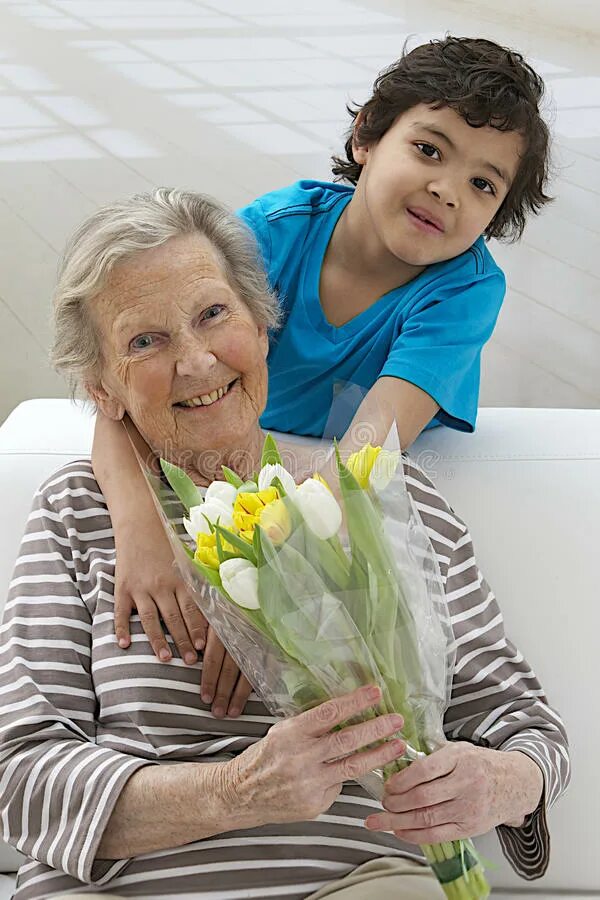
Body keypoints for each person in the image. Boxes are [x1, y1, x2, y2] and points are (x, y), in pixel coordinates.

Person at [0, 192, 569, 900]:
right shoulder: (78, 511)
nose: (197, 360)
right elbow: (22, 781)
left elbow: (523, 725)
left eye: (213, 314)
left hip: (362, 884)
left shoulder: (391, 501)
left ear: (264, 326)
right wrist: (239, 791)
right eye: (145, 342)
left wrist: (500, 782)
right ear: (103, 390)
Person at [89, 36, 554, 670]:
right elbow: (119, 402)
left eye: (482, 183)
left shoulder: (465, 289)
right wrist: (141, 534)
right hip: (213, 460)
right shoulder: (268, 235)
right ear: (366, 137)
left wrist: (263, 602)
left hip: (316, 509)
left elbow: (365, 455)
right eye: (427, 150)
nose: (447, 189)